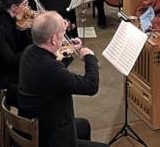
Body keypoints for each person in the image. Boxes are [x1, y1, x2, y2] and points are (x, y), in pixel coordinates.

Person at [18, 11, 106, 147]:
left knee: (84, 126)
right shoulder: (52, 70)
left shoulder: (29, 51)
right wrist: (90, 57)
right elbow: (91, 86)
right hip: (50, 136)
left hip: (35, 122)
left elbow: (55, 71)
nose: (65, 37)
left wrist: (71, 50)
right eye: (63, 33)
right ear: (53, 39)